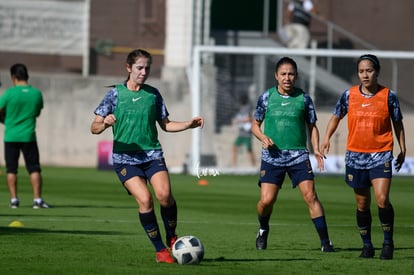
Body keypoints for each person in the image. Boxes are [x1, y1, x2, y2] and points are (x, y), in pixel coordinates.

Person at [90, 49, 204, 264]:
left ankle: (172, 237)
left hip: (152, 155)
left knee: (165, 196)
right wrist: (104, 123)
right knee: (145, 200)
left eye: (147, 68)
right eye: (139, 68)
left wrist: (189, 124)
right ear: (128, 68)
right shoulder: (114, 94)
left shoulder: (153, 94)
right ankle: (160, 250)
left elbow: (166, 125)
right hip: (125, 159)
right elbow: (94, 127)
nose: (144, 72)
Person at [320, 54, 406, 260]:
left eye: (369, 70)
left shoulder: (388, 96)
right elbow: (336, 117)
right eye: (361, 71)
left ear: (377, 72)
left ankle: (388, 243)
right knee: (362, 204)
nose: (365, 75)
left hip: (381, 154)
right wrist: (326, 138)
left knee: (382, 199)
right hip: (355, 156)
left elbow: (398, 123)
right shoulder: (349, 95)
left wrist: (402, 148)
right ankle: (367, 246)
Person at [251, 56, 334, 252]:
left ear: (296, 76)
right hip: (273, 156)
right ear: (276, 76)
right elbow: (255, 125)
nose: (287, 78)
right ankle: (263, 229)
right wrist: (262, 137)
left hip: (298, 155)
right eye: (283, 74)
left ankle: (325, 243)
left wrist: (315, 150)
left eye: (291, 74)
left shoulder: (304, 98)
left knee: (311, 196)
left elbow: (312, 126)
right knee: (266, 201)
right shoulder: (266, 97)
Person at [0, 63, 49, 209]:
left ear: (14, 77)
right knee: (34, 168)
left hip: (11, 136)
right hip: (28, 136)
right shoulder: (36, 94)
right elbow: (37, 112)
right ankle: (37, 200)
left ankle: (14, 200)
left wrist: (5, 120)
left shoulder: (9, 93)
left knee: (11, 169)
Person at [231, 94, 256, 167]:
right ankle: (233, 165)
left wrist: (240, 121)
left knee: (249, 150)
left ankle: (253, 165)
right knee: (234, 147)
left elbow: (249, 118)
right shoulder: (240, 107)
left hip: (247, 134)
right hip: (241, 134)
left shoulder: (248, 107)